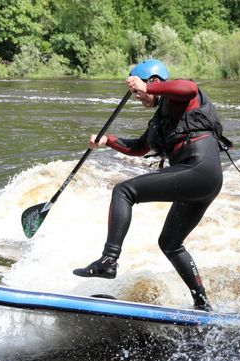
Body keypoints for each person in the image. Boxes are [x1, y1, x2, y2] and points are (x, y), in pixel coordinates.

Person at [73, 59, 224, 312]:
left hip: (198, 169)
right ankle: (202, 304)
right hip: (200, 181)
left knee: (124, 191)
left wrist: (147, 87)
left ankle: (109, 259)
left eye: (138, 92)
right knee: (170, 243)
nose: (139, 97)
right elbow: (138, 148)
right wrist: (107, 140)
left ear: (153, 81)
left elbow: (188, 87)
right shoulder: (160, 120)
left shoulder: (181, 96)